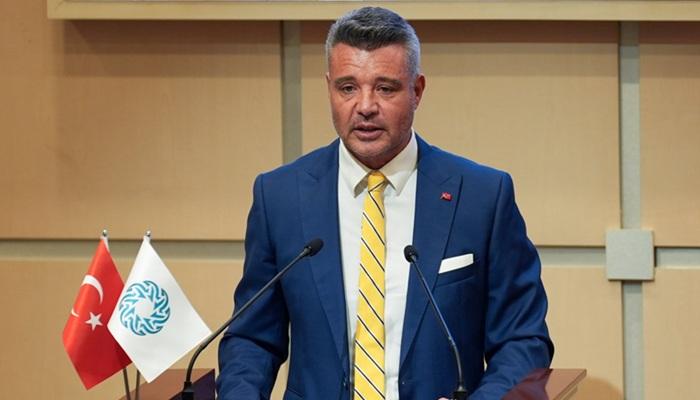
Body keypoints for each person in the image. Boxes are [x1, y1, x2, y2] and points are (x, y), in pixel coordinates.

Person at [218, 7, 553, 400]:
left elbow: (522, 340)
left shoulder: (482, 196)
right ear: (329, 88)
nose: (365, 106)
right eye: (348, 88)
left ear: (417, 91)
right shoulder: (280, 197)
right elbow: (253, 339)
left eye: (385, 88)